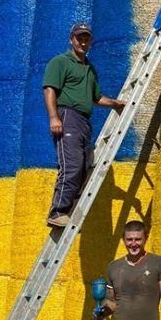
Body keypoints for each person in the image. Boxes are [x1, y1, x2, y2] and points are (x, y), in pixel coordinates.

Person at [42, 22, 125, 227]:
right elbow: (49, 90)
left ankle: (68, 211)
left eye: (86, 38)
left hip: (83, 121)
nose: (83, 41)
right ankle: (57, 211)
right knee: (72, 165)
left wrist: (115, 104)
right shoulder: (60, 62)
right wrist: (54, 117)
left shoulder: (90, 69)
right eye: (79, 37)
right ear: (71, 39)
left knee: (84, 165)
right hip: (67, 116)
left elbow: (96, 98)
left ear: (90, 41)